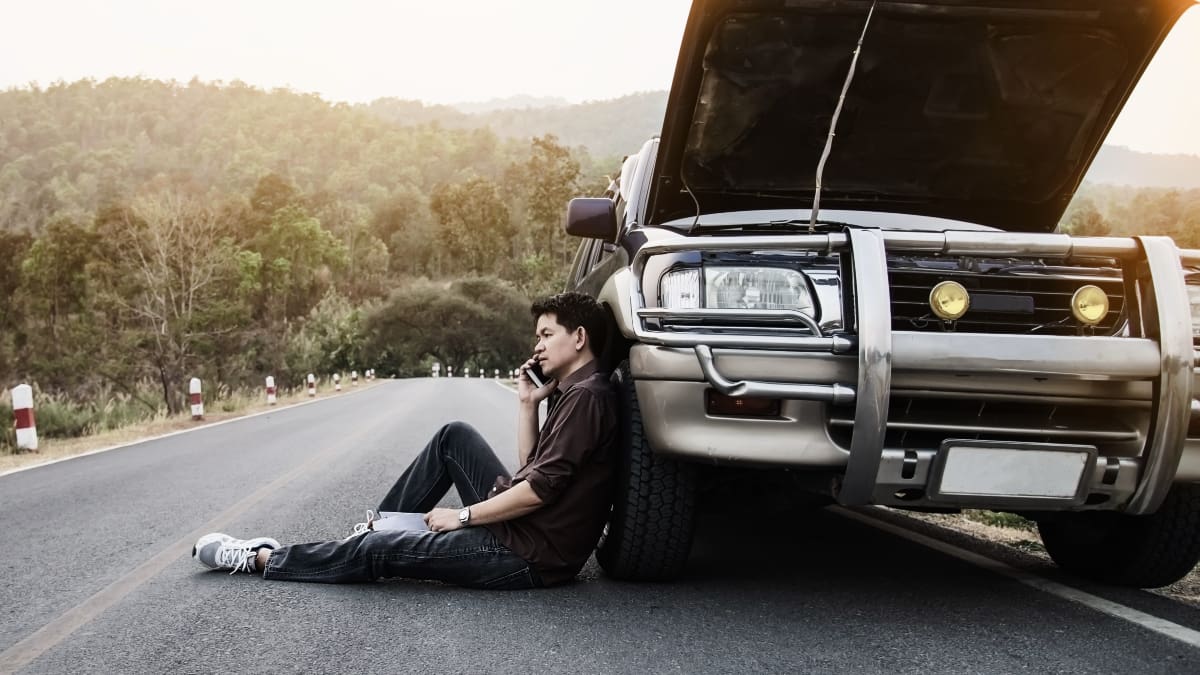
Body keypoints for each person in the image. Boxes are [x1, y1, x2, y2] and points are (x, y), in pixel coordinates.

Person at [192, 292, 618, 589]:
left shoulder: (586, 397)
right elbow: (532, 471)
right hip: (523, 531)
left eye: (546, 335)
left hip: (527, 556)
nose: (537, 346)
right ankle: (370, 535)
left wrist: (464, 516)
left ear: (578, 338)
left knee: (379, 551)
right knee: (455, 436)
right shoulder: (574, 392)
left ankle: (262, 557)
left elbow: (537, 492)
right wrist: (527, 404)